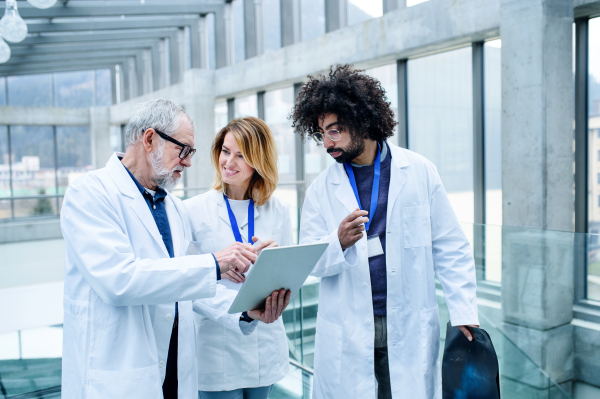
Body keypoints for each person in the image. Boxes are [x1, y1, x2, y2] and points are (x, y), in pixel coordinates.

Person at [60, 99, 288, 399]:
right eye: (183, 150)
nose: (189, 162)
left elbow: (187, 288)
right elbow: (119, 280)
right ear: (150, 139)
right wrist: (214, 263)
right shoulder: (90, 194)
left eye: (191, 153)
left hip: (173, 373)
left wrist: (245, 313)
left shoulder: (173, 208)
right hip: (117, 374)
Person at [290, 65, 479, 399]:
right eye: (321, 133)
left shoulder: (419, 171)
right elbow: (310, 261)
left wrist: (463, 310)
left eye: (335, 131)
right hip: (349, 328)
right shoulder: (321, 189)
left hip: (406, 322)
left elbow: (450, 244)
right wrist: (337, 241)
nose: (327, 143)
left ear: (362, 121)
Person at [185, 117, 292, 399]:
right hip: (215, 347)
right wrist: (216, 268)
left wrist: (272, 265)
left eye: (241, 155)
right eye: (225, 151)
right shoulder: (192, 211)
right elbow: (185, 283)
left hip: (265, 343)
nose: (229, 162)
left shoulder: (278, 209)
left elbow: (291, 277)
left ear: (258, 159)